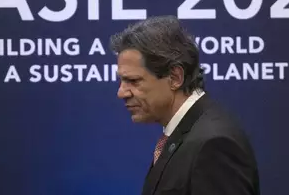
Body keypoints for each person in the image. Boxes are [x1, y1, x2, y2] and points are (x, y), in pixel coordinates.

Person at [110, 16, 260, 195]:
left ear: (175, 77)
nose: (121, 93)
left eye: (133, 81)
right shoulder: (184, 133)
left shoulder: (213, 145)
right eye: (121, 81)